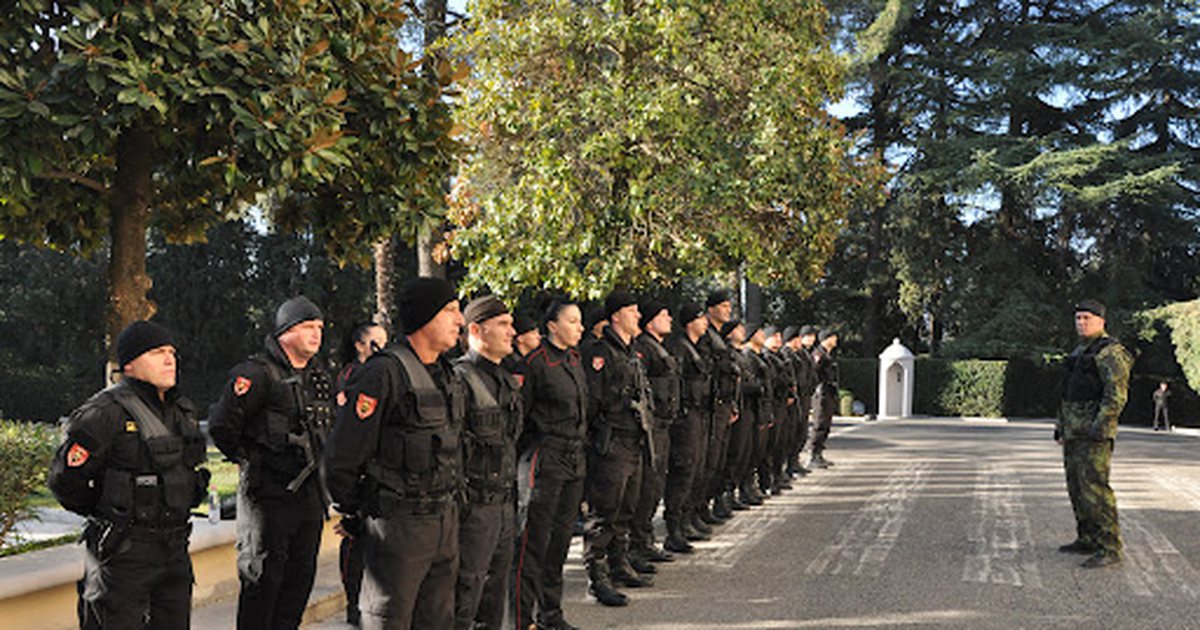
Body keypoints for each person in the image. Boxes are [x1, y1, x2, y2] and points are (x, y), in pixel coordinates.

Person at [323, 278, 465, 630]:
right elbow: (342, 458)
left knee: (437, 620)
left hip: (443, 521)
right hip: (398, 527)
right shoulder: (383, 373)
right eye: (450, 310)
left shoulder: (446, 375)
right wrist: (365, 513)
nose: (459, 320)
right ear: (423, 317)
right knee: (390, 620)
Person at [49, 320, 210, 630]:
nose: (169, 359)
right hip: (123, 555)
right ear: (130, 364)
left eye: (172, 352)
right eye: (157, 352)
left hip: (175, 550)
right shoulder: (104, 413)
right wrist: (111, 510)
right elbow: (65, 481)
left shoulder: (183, 411)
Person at [209, 297, 333, 630]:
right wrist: (249, 460)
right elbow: (222, 426)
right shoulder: (255, 373)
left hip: (309, 497)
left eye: (320, 327)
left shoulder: (318, 375)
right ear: (285, 331)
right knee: (263, 584)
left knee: (298, 584)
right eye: (308, 326)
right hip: (268, 497)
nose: (316, 334)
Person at [513, 300, 588, 630]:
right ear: (552, 326)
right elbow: (519, 421)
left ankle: (551, 613)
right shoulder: (534, 364)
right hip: (544, 460)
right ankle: (520, 619)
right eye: (572, 321)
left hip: (573, 459)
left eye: (580, 321)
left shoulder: (573, 359)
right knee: (534, 543)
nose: (579, 327)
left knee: (559, 543)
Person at [453, 296, 521, 630]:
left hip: (504, 502)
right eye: (504, 325)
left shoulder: (506, 380)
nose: (513, 331)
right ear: (477, 330)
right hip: (473, 507)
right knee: (466, 593)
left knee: (495, 595)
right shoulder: (459, 380)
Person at [582, 290, 653, 606]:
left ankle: (618, 564)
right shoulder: (600, 353)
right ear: (616, 316)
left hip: (633, 439)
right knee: (605, 512)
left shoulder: (631, 351)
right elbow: (593, 402)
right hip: (611, 443)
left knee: (627, 507)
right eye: (633, 310)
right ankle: (597, 578)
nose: (638, 316)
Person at [1055, 299, 1133, 569]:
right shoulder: (1079, 351)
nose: (1082, 322)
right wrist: (1061, 427)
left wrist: (1100, 428)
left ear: (1102, 321)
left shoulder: (1110, 352)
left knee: (1096, 489)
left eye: (1087, 318)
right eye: (1078, 318)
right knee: (1077, 487)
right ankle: (1087, 537)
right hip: (1074, 431)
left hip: (1094, 434)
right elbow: (1067, 394)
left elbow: (1116, 395)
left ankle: (1110, 546)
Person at [334, 321, 389, 627]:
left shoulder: (386, 374)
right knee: (354, 543)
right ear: (359, 345)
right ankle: (353, 605)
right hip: (357, 469)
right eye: (374, 342)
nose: (380, 348)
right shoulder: (351, 376)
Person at [630, 301, 679, 570]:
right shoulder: (642, 349)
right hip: (650, 427)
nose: (669, 319)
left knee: (655, 485)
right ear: (650, 322)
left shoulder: (659, 347)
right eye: (663, 315)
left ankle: (645, 540)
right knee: (646, 487)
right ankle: (636, 545)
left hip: (662, 425)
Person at [663, 303, 711, 552]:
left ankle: (687, 519)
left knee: (697, 469)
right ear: (690, 322)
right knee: (683, 470)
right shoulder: (679, 348)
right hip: (684, 418)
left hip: (698, 413)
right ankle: (674, 528)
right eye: (701, 319)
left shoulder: (698, 348)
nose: (705, 323)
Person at [695, 291, 740, 534]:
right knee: (706, 461)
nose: (727, 310)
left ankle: (705, 506)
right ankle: (697, 509)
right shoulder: (706, 337)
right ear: (710, 309)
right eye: (723, 306)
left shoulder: (719, 337)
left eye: (728, 306)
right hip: (709, 407)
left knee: (717, 460)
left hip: (722, 404)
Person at [809, 329, 839, 469]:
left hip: (829, 392)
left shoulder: (827, 354)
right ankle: (814, 455)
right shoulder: (818, 354)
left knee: (826, 424)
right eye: (833, 337)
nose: (836, 339)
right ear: (826, 338)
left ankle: (819, 454)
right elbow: (813, 372)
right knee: (820, 423)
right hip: (821, 393)